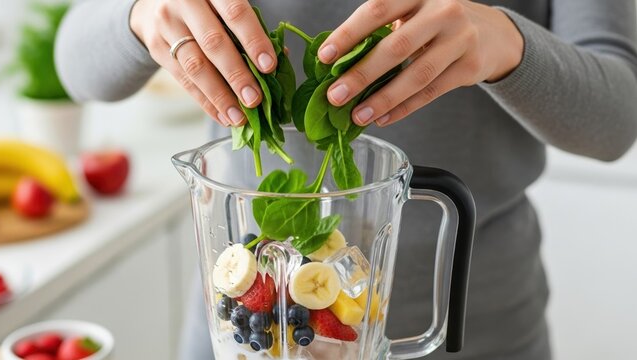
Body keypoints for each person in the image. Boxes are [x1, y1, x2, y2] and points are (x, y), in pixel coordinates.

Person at [55, 0, 637, 359]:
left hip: (481, 332)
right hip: (249, 338)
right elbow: (76, 63)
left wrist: (508, 43)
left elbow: (617, 120)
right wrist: (139, 13)